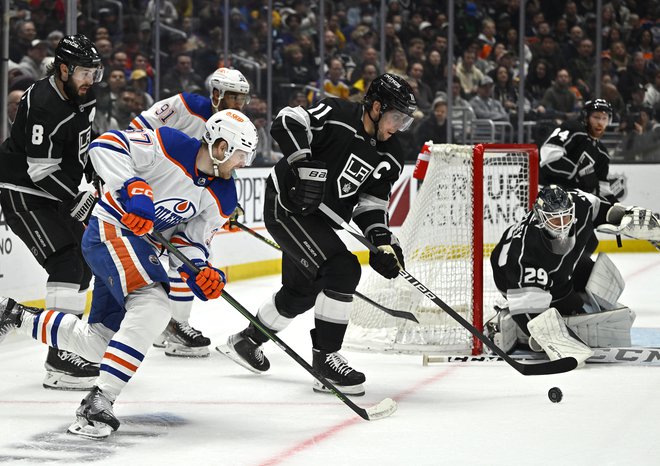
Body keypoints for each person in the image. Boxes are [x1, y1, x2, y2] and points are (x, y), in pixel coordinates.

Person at [0, 109, 259, 438]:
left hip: (140, 248)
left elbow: (190, 240)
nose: (243, 164)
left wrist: (200, 270)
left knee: (98, 344)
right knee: (154, 305)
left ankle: (15, 314)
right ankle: (100, 400)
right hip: (110, 230)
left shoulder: (223, 195)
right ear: (221, 147)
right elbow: (104, 145)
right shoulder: (170, 144)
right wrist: (133, 186)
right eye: (241, 155)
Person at [217, 73, 416, 396]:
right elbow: (287, 121)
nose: (398, 127)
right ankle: (326, 359)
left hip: (321, 221)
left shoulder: (390, 153)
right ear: (377, 107)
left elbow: (370, 204)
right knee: (342, 269)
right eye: (396, 117)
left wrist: (381, 241)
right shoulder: (338, 114)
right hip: (287, 206)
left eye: (404, 121)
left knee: (302, 292)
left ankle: (246, 341)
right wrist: (302, 164)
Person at [0, 34, 104, 391]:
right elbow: (39, 170)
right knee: (66, 262)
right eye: (84, 72)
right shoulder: (44, 102)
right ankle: (60, 357)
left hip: (54, 193)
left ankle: (67, 348)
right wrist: (77, 199)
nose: (90, 80)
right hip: (23, 193)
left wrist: (97, 170)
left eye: (94, 72)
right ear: (63, 69)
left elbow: (84, 142)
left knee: (85, 261)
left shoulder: (84, 94)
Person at [129, 68, 251, 357]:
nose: (239, 105)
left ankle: (176, 326)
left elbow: (225, 168)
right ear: (216, 94)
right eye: (234, 97)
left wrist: (223, 204)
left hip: (188, 199)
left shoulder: (235, 124)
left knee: (189, 255)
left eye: (243, 99)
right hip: (153, 187)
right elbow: (138, 128)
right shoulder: (184, 106)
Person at [488, 185, 659, 366]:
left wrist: (627, 217)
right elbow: (529, 314)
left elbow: (603, 210)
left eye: (566, 216)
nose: (562, 225)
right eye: (555, 220)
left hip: (560, 267)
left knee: (603, 279)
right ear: (540, 218)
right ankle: (511, 325)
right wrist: (551, 338)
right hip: (513, 279)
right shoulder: (526, 254)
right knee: (577, 323)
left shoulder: (580, 203)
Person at [539, 99, 623, 202]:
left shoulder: (603, 154)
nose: (600, 123)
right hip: (545, 192)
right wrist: (579, 175)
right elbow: (549, 158)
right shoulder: (573, 129)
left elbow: (602, 191)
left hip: (573, 201)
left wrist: (616, 207)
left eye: (604, 118)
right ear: (586, 117)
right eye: (596, 117)